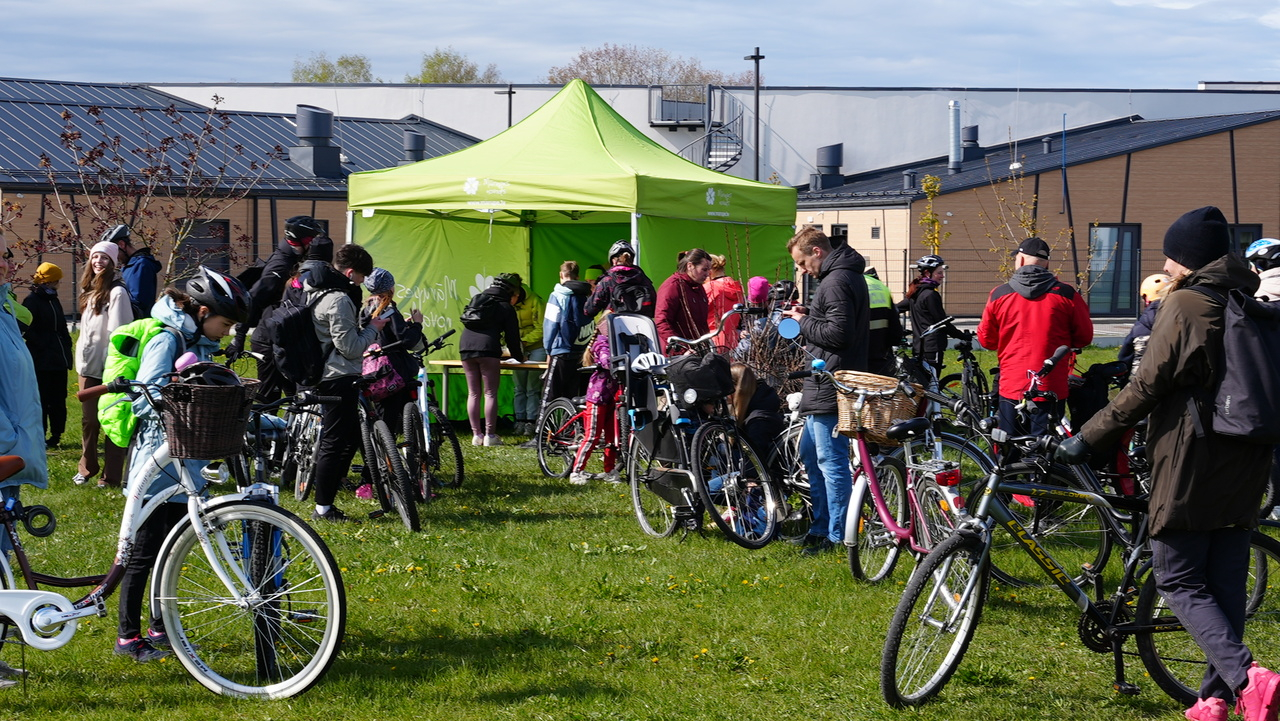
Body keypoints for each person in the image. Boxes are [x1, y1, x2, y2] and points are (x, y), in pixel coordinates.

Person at [1060, 206, 1280, 721]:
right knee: (1225, 585)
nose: (1166, 262)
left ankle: (1250, 678)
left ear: (1188, 259)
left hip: (1193, 459)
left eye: (1172, 254)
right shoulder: (1246, 297)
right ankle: (1213, 701)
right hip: (1248, 457)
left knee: (1177, 576)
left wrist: (1087, 438)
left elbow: (1147, 385)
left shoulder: (1184, 305)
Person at [113, 267, 250, 663]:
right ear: (204, 311)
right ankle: (127, 636)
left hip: (186, 460)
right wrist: (182, 382)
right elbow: (146, 394)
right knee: (144, 551)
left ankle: (160, 626)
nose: (226, 332)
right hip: (157, 464)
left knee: (169, 551)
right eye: (225, 323)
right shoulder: (166, 337)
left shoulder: (196, 339)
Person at [782, 226, 870, 555]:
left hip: (830, 382)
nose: (803, 270)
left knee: (831, 463)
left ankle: (837, 536)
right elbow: (836, 322)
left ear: (817, 252)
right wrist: (810, 314)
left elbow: (838, 333)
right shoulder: (843, 276)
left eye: (803, 263)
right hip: (829, 379)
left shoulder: (834, 281)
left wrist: (801, 323)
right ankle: (821, 524)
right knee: (808, 453)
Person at [976, 237, 1092, 437]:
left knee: (1008, 446)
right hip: (1051, 384)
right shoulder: (1067, 295)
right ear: (1047, 263)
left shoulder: (999, 294)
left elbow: (987, 340)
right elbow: (1084, 337)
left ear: (1020, 260)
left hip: (1012, 383)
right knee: (1046, 449)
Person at [304, 244, 386, 522]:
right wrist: (372, 330)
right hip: (338, 376)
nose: (363, 284)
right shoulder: (338, 299)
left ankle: (325, 501)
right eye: (362, 278)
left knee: (340, 438)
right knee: (334, 442)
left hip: (325, 373)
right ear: (350, 273)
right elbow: (350, 348)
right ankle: (323, 508)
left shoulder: (314, 291)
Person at [230, 215, 326, 401]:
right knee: (268, 399)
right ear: (303, 240)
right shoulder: (281, 266)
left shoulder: (293, 258)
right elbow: (253, 298)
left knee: (294, 398)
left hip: (284, 336)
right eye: (312, 240)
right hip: (268, 340)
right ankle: (260, 429)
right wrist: (239, 337)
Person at [73, 240, 132, 488]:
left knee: (112, 422)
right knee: (89, 421)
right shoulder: (89, 290)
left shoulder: (117, 292)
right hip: (87, 366)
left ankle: (111, 477)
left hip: (110, 370)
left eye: (105, 258)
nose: (99, 261)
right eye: (95, 257)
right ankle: (87, 468)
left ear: (113, 262)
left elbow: (121, 333)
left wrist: (116, 368)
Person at [459, 273, 524, 446]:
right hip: (488, 349)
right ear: (512, 292)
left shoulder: (478, 299)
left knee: (473, 393)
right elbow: (512, 338)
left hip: (465, 346)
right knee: (490, 393)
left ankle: (476, 435)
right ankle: (490, 435)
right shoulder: (505, 307)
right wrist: (520, 357)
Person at [360, 267, 424, 435]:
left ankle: (384, 455)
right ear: (390, 287)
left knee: (384, 416)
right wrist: (417, 324)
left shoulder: (365, 310)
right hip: (394, 371)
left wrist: (401, 323)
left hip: (374, 373)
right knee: (398, 418)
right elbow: (407, 340)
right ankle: (396, 456)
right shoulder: (388, 308)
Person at [21, 262, 73, 448]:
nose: (59, 284)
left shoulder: (53, 300)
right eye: (56, 281)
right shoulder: (32, 300)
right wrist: (44, 344)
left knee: (58, 399)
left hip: (58, 359)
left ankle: (57, 434)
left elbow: (60, 327)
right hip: (41, 360)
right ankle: (40, 435)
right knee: (42, 399)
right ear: (50, 281)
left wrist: (66, 346)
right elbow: (27, 328)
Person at [568, 317, 619, 485]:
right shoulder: (602, 342)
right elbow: (605, 360)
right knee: (592, 436)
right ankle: (576, 471)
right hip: (598, 396)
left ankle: (609, 471)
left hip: (613, 397)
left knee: (611, 438)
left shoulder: (618, 343)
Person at [539, 260, 592, 418]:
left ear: (561, 275)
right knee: (573, 396)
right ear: (578, 276)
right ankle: (570, 432)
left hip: (561, 349)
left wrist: (548, 349)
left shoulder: (557, 295)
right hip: (581, 351)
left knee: (549, 394)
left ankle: (540, 435)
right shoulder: (586, 295)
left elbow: (550, 324)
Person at [899, 255, 961, 374]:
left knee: (923, 384)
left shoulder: (915, 293)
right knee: (933, 384)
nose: (942, 275)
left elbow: (896, 308)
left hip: (919, 347)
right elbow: (942, 322)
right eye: (939, 272)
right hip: (932, 347)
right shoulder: (930, 295)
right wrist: (961, 335)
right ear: (928, 273)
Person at [655, 248, 712, 354]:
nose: (708, 274)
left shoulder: (698, 288)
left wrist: (707, 345)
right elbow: (662, 322)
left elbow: (702, 324)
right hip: (678, 357)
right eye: (704, 269)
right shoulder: (672, 286)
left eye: (709, 270)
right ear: (690, 266)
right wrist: (681, 350)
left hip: (698, 350)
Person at [730, 362, 785, 467]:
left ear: (736, 388)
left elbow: (755, 457)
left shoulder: (758, 420)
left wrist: (751, 478)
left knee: (712, 482)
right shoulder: (759, 407)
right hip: (754, 470)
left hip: (764, 476)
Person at [584, 240, 656, 319]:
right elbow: (655, 307)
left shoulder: (608, 280)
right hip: (641, 327)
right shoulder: (643, 279)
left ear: (613, 261)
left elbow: (589, 310)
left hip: (615, 328)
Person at [1117, 272, 1172, 369]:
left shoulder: (1140, 326)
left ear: (1146, 298)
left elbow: (1125, 357)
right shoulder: (1183, 318)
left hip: (1142, 379)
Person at [103, 224, 161, 313]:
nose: (113, 257)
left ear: (121, 245)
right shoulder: (128, 266)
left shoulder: (141, 265)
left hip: (136, 324)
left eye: (114, 252)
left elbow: (138, 303)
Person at [512, 281, 545, 435]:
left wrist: (524, 342)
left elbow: (542, 328)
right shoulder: (508, 302)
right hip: (518, 349)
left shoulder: (536, 301)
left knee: (533, 387)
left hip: (536, 347)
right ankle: (519, 420)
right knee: (519, 387)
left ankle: (531, 421)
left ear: (517, 295)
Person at [865, 267, 906, 377]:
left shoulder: (851, 284)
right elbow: (895, 328)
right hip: (882, 355)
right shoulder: (882, 288)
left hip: (858, 356)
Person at [703, 254, 745, 353]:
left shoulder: (710, 288)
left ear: (710, 270)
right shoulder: (736, 287)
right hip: (733, 340)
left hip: (712, 340)